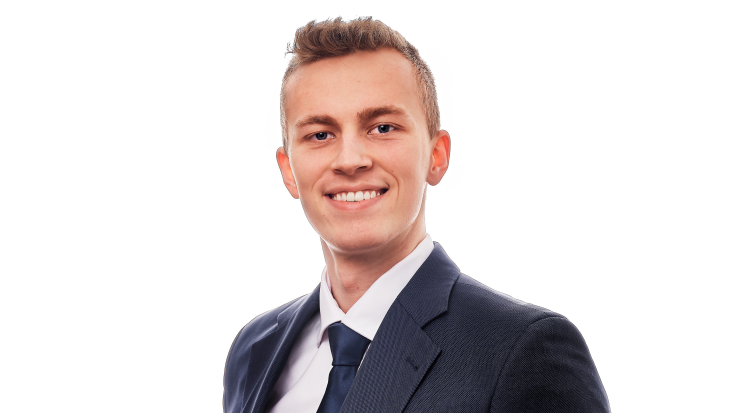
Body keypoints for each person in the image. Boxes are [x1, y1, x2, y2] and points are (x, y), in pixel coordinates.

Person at [223, 17, 609, 413]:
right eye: (320, 134)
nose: (350, 160)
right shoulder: (253, 351)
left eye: (382, 127)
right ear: (289, 171)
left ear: (436, 156)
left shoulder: (522, 351)